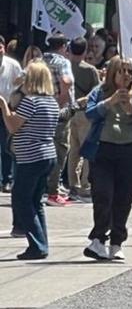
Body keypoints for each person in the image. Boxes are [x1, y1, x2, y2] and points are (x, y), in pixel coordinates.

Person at [80, 57, 132, 261]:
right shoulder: (100, 91)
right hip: (102, 150)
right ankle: (98, 239)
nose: (127, 75)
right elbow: (90, 113)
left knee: (124, 199)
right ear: (113, 73)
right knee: (103, 195)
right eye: (122, 71)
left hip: (129, 151)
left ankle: (117, 242)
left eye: (130, 71)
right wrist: (110, 102)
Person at [0, 62, 61, 260]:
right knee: (36, 201)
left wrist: (3, 106)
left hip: (31, 156)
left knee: (21, 200)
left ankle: (37, 245)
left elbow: (12, 126)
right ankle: (41, 243)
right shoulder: (51, 101)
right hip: (47, 154)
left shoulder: (31, 102)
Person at [65, 37, 101, 203]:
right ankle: (86, 185)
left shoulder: (64, 68)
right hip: (85, 112)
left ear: (70, 50)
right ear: (85, 51)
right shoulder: (91, 70)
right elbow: (97, 92)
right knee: (87, 150)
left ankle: (73, 184)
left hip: (67, 111)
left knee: (72, 150)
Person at [42, 34, 75, 206]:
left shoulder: (38, 61)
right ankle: (53, 192)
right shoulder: (62, 62)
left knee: (42, 150)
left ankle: (43, 188)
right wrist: (62, 100)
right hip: (59, 113)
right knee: (59, 150)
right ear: (63, 46)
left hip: (40, 112)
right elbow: (66, 81)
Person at [0, 36, 22, 192]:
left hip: (6, 107)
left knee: (6, 145)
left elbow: (20, 85)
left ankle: (7, 179)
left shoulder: (13, 65)